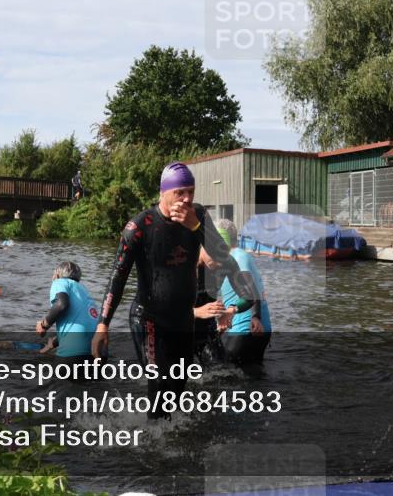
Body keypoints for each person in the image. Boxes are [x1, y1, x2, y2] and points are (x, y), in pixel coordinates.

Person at [91, 162, 262, 419]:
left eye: (191, 192)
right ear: (163, 193)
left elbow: (225, 262)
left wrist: (196, 227)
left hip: (182, 319)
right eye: (180, 192)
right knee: (159, 385)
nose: (186, 199)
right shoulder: (140, 227)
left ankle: (169, 440)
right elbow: (118, 276)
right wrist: (103, 325)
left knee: (177, 389)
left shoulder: (199, 217)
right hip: (148, 318)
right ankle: (152, 445)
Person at [215, 219, 271, 366]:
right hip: (257, 328)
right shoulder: (237, 256)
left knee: (229, 376)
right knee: (254, 376)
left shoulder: (236, 257)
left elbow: (251, 290)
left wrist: (256, 317)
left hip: (246, 329)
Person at [35, 261, 100, 361]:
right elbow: (80, 325)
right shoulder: (84, 291)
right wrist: (54, 343)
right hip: (97, 356)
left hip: (72, 357)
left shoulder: (60, 282)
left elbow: (61, 304)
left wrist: (44, 325)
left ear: (57, 274)